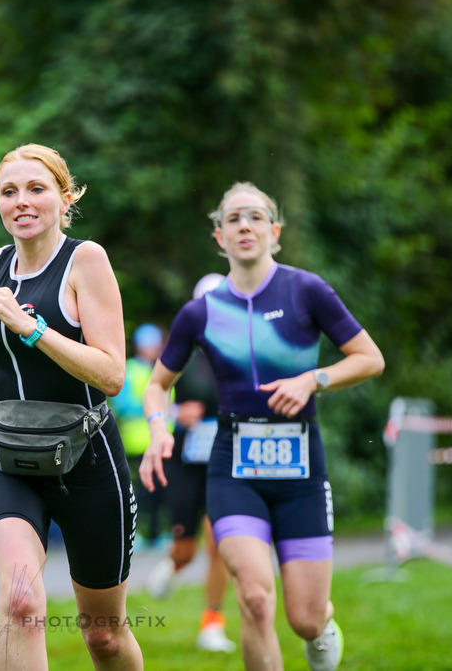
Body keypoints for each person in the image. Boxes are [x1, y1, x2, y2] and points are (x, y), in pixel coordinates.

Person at [0, 143, 143, 670]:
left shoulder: (87, 260)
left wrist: (31, 326)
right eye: (8, 192)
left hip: (88, 458)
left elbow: (111, 372)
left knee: (103, 636)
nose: (22, 202)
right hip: (10, 453)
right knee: (20, 602)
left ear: (64, 198)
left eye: (36, 189)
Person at [139, 182, 385, 671]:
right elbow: (156, 385)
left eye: (254, 217)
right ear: (219, 237)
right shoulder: (201, 312)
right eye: (233, 219)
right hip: (234, 468)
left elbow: (369, 359)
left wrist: (312, 380)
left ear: (274, 232)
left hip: (301, 470)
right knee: (254, 598)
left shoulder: (307, 291)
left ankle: (322, 622)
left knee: (306, 620)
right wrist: (159, 427)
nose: (244, 226)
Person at [143, 273, 236, 654]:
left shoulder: (243, 352)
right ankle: (174, 565)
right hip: (186, 461)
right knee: (186, 550)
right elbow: (154, 390)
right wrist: (177, 413)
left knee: (220, 543)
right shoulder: (182, 350)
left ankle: (211, 623)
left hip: (227, 460)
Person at [111, 323, 168, 551]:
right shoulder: (131, 368)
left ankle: (155, 534)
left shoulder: (159, 369)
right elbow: (122, 405)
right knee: (142, 493)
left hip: (160, 441)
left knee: (158, 492)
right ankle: (139, 534)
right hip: (137, 441)